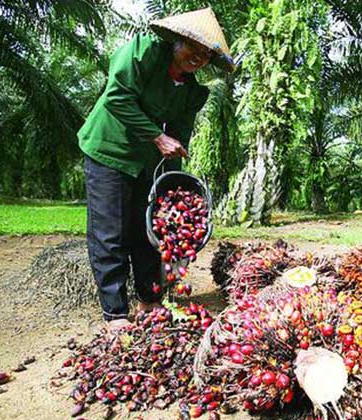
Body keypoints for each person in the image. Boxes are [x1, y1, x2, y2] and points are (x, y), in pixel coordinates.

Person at [78, 7, 234, 333]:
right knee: (111, 233)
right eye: (194, 47)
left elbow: (177, 140)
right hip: (109, 151)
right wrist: (156, 136)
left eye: (206, 54)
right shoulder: (142, 53)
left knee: (150, 231)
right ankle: (116, 313)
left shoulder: (193, 91)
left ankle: (149, 300)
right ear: (178, 39)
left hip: (148, 162)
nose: (199, 57)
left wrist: (174, 191)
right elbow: (116, 98)